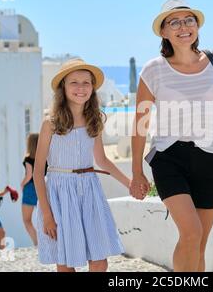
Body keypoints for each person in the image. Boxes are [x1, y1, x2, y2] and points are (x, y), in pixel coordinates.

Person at [130, 0, 213, 272]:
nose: (183, 27)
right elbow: (141, 122)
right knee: (191, 233)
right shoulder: (153, 69)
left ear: (197, 26)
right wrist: (137, 172)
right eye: (174, 22)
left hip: (211, 156)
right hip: (169, 157)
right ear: (164, 32)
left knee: (199, 243)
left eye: (189, 20)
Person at [34, 58, 136, 272]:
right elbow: (37, 172)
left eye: (86, 83)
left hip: (90, 192)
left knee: (100, 260)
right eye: (74, 82)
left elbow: (102, 160)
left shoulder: (94, 120)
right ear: (63, 87)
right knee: (65, 263)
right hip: (59, 194)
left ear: (93, 88)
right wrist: (46, 214)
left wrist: (130, 183)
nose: (81, 88)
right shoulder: (50, 124)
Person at [20, 133, 42, 246]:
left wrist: (22, 184)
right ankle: (44, 241)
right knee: (44, 218)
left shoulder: (28, 159)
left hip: (30, 188)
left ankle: (37, 242)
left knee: (27, 220)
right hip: (42, 186)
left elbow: (29, 175)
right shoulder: (44, 157)